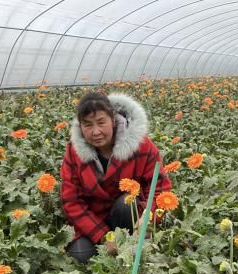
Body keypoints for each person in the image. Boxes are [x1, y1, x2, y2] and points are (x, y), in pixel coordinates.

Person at [60, 92, 172, 263]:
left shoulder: (142, 146)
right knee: (80, 256)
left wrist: (149, 218)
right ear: (80, 127)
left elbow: (161, 190)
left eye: (101, 123)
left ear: (113, 120)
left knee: (126, 203)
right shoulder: (73, 152)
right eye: (88, 125)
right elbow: (72, 202)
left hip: (133, 219)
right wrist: (104, 237)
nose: (95, 132)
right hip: (95, 222)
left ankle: (134, 251)